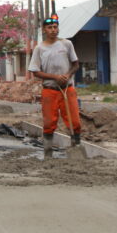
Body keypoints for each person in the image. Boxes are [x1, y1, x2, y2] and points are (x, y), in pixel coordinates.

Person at [28, 16, 82, 150]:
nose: (53, 30)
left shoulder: (67, 44)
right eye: (50, 27)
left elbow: (76, 65)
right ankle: (48, 151)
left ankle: (76, 146)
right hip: (50, 90)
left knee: (74, 121)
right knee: (49, 122)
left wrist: (67, 75)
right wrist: (55, 77)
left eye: (55, 27)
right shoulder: (39, 48)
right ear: (44, 30)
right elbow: (35, 71)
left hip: (67, 89)